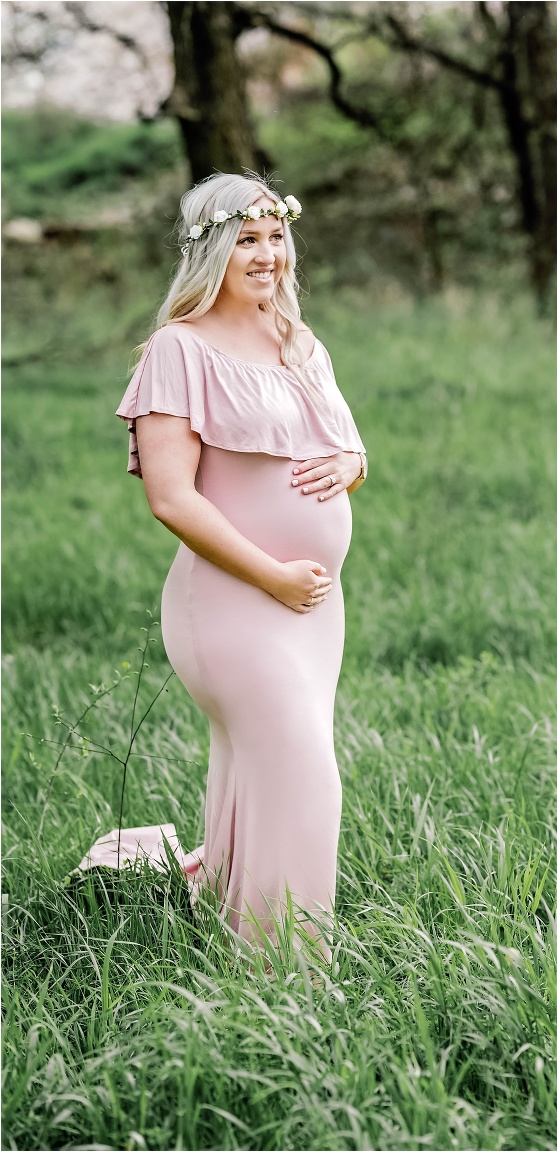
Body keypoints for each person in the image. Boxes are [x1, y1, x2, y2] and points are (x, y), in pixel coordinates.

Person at [82, 172, 367, 963]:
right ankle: (287, 975)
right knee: (307, 775)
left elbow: (348, 447)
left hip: (312, 613)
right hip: (233, 603)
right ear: (210, 250)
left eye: (276, 238)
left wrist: (349, 466)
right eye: (247, 239)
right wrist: (273, 575)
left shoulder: (297, 341)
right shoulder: (180, 350)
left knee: (261, 770)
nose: (267, 255)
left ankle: (224, 911)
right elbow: (172, 499)